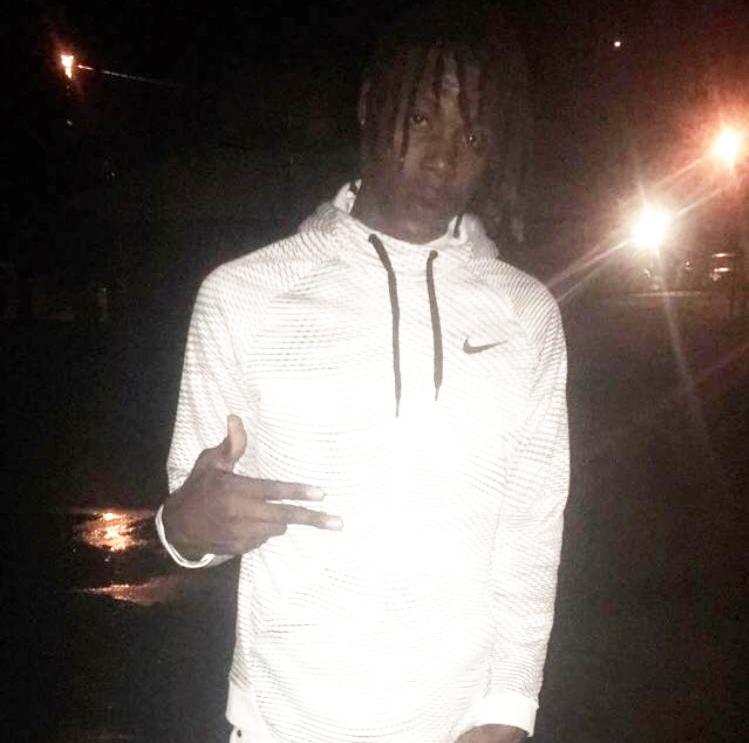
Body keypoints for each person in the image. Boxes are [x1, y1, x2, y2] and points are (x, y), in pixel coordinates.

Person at [156, 3, 569, 741]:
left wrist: (509, 706)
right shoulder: (243, 295)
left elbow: (530, 530)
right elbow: (191, 518)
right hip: (284, 721)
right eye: (421, 119)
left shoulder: (525, 313)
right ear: (370, 107)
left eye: (472, 136)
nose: (443, 158)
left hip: (456, 723)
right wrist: (184, 525)